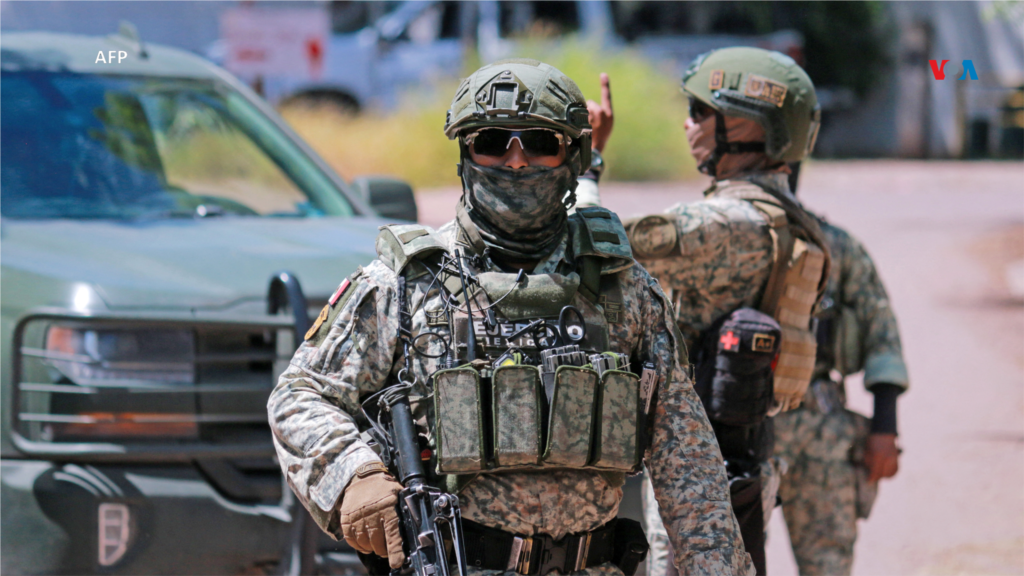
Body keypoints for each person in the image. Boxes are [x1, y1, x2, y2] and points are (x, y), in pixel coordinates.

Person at [267, 59, 754, 576]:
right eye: (494, 141)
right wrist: (354, 475)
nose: (516, 162)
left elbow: (687, 455)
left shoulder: (624, 289)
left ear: (574, 157)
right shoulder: (407, 283)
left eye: (541, 142)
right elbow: (300, 394)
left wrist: (714, 564)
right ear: (465, 155)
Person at [579, 47, 832, 576]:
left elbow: (587, 249)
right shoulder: (798, 224)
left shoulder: (721, 225)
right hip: (752, 454)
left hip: (696, 468)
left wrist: (587, 160)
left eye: (700, 112)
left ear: (746, 125)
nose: (688, 124)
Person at [773, 161, 907, 576]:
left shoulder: (833, 245)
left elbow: (880, 331)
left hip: (817, 422)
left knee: (828, 563)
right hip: (734, 424)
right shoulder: (714, 236)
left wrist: (885, 426)